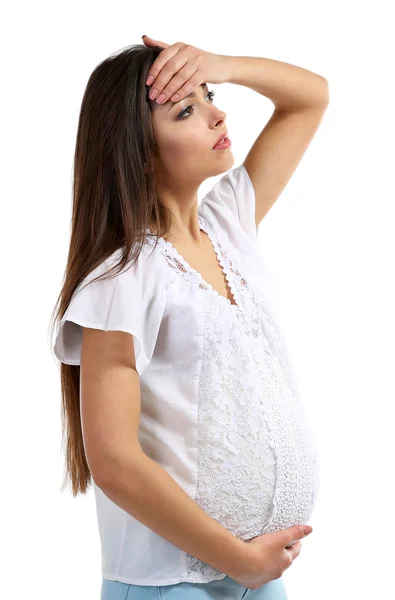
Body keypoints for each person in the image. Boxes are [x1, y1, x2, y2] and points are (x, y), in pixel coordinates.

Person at [50, 40, 323, 600]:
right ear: (139, 151)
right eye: (185, 111)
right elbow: (115, 461)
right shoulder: (121, 279)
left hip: (254, 576)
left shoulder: (228, 226)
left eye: (210, 97)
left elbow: (310, 99)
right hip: (174, 585)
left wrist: (220, 64)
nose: (218, 114)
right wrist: (239, 561)